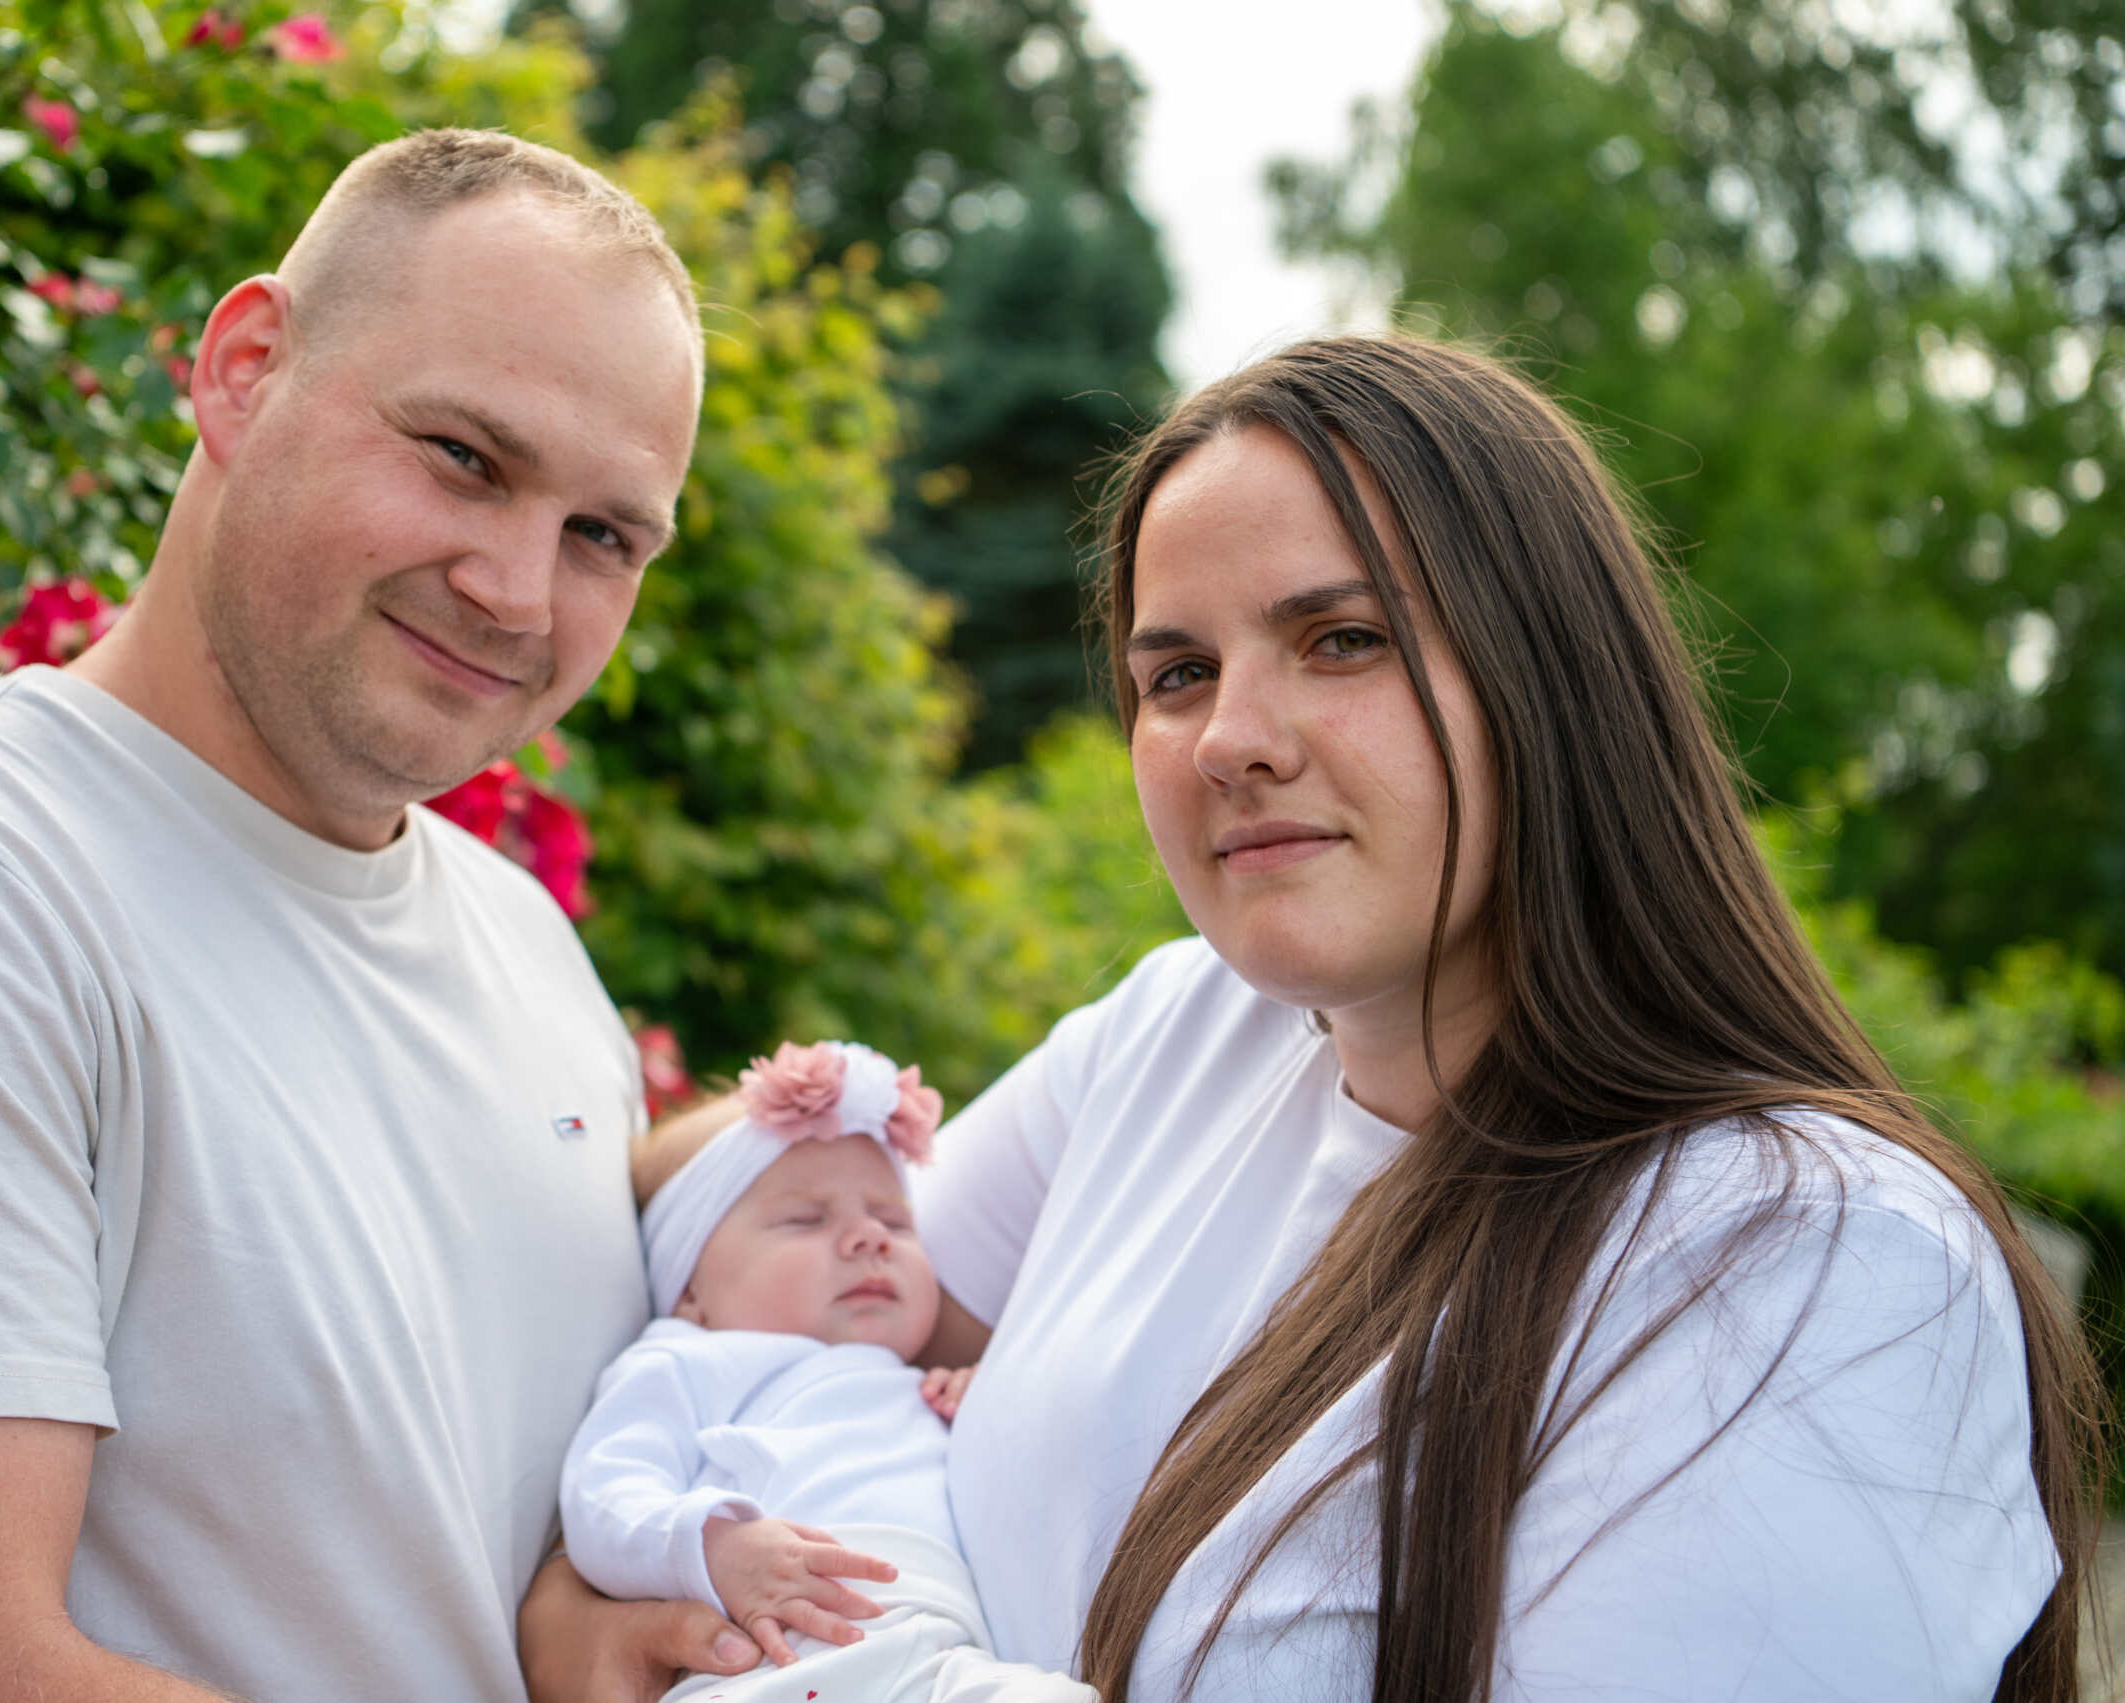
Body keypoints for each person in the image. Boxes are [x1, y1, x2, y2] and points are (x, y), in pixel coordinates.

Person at [531, 337, 2100, 1703]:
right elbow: (767, 1259)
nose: (1231, 738)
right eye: (1175, 671)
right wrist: (592, 1595)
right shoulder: (1176, 1035)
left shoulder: (1804, 1264)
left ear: (1552, 676)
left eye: (1342, 639)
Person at [0, 128, 765, 1703]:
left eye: (603, 536)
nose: (518, 590)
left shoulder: (526, 948)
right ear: (243, 369)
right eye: (465, 458)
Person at [561, 1039, 1093, 1703]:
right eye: (805, 1219)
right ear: (689, 1288)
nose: (867, 1236)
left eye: (893, 1219)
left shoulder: (916, 1381)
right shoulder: (687, 1358)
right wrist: (712, 1546)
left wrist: (984, 1398)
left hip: (933, 1646)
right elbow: (601, 1489)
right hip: (786, 1647)